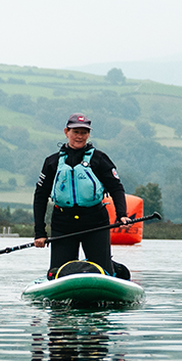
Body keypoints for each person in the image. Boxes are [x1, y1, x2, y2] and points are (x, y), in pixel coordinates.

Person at [33, 113, 130, 278]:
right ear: (66, 132)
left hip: (95, 222)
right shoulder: (52, 162)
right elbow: (40, 196)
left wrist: (122, 214)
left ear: (89, 134)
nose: (79, 136)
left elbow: (116, 188)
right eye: (75, 132)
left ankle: (111, 268)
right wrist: (40, 232)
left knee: (103, 272)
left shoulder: (100, 159)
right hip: (63, 223)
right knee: (59, 273)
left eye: (84, 132)